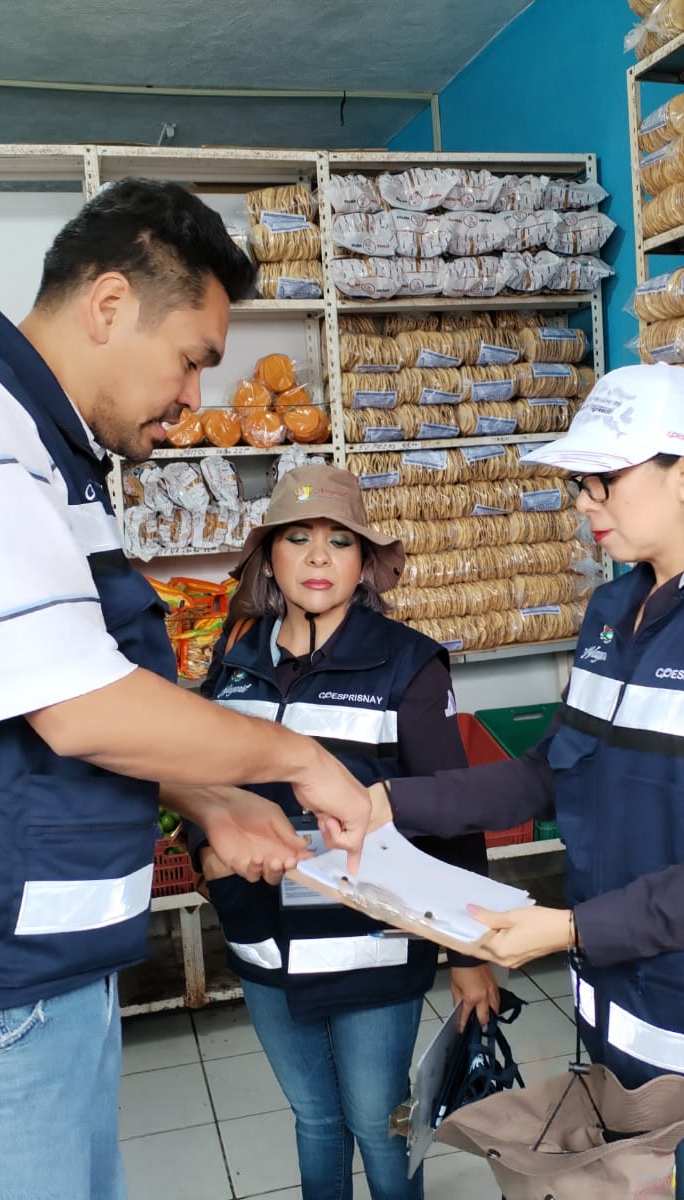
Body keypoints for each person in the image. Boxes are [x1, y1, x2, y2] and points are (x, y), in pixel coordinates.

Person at [0, 180, 373, 1200]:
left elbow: (75, 687)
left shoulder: (47, 451)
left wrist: (215, 799)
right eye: (192, 358)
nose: (196, 397)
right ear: (108, 306)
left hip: (22, 971)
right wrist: (299, 761)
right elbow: (77, 704)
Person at [363, 363, 684, 1200]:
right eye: (578, 480)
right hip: (629, 1001)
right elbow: (549, 774)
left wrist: (567, 929)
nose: (583, 499)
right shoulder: (612, 614)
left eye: (602, 479)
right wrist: (385, 802)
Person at [191, 464, 500, 1200]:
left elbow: (450, 809)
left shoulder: (408, 663)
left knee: (374, 1116)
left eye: (339, 541)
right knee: (314, 1116)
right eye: (297, 539)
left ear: (364, 561)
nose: (318, 558)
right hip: (263, 933)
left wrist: (468, 952)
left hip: (371, 936)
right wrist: (202, 854)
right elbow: (196, 782)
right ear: (270, 556)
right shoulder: (233, 662)